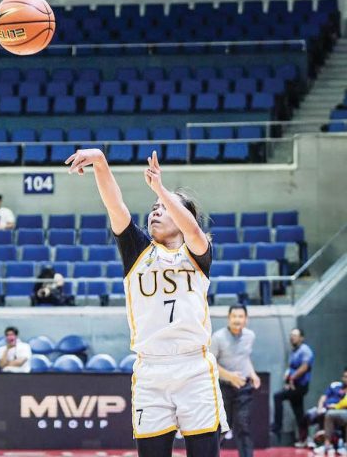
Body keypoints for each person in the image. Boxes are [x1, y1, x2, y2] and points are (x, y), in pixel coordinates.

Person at [66, 149, 227, 457]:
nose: (156, 211)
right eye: (153, 207)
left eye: (164, 208)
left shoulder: (197, 251)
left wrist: (161, 190)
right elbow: (115, 204)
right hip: (151, 369)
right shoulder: (137, 250)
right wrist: (100, 161)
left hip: (194, 367)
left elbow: (192, 229)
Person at [211, 305, 261, 457]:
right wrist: (230, 376)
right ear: (229, 318)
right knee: (221, 428)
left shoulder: (250, 336)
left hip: (244, 389)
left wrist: (253, 373)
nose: (237, 320)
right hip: (223, 389)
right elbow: (211, 364)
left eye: (240, 316)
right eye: (234, 316)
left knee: (243, 426)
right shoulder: (218, 337)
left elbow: (245, 357)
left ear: (246, 319)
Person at [272, 328, 314, 445]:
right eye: (291, 335)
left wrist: (292, 378)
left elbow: (304, 367)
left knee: (278, 397)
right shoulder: (294, 351)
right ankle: (304, 439)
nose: (292, 337)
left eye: (295, 335)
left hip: (300, 386)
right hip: (293, 386)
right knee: (299, 412)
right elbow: (291, 369)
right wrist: (288, 381)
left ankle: (277, 427)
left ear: (302, 338)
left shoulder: (305, 350)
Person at [309, 368, 347, 454]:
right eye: (344, 376)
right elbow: (323, 397)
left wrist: (336, 407)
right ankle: (314, 442)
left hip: (338, 412)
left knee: (330, 414)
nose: (345, 379)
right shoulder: (335, 386)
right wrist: (320, 407)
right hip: (329, 410)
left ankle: (331, 444)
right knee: (310, 414)